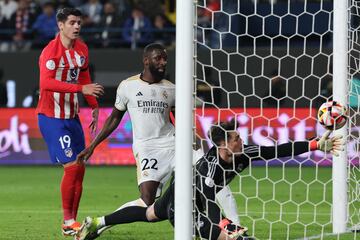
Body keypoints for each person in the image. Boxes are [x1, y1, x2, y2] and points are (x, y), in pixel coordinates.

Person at [76, 119, 344, 240]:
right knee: (211, 232)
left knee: (150, 213)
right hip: (184, 202)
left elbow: (276, 150)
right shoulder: (211, 168)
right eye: (237, 138)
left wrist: (313, 144)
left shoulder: (243, 154)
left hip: (187, 189)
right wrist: (226, 226)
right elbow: (207, 204)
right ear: (223, 145)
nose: (242, 140)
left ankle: (99, 223)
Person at [76, 42, 175, 233]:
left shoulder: (171, 89)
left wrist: (193, 140)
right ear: (146, 61)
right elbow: (114, 118)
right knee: (147, 202)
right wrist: (92, 146)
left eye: (165, 59)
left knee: (205, 176)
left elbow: (180, 119)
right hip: (147, 147)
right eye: (158, 58)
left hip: (173, 142)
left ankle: (228, 224)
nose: (163, 62)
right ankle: (99, 224)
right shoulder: (128, 86)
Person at [36, 7, 104, 236]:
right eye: (72, 22)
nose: (77, 27)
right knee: (72, 167)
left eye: (79, 23)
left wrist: (93, 105)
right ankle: (67, 221)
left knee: (80, 168)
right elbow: (46, 84)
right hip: (51, 118)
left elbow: (84, 76)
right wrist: (80, 89)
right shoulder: (50, 52)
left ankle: (72, 222)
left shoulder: (82, 49)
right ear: (61, 25)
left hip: (72, 117)